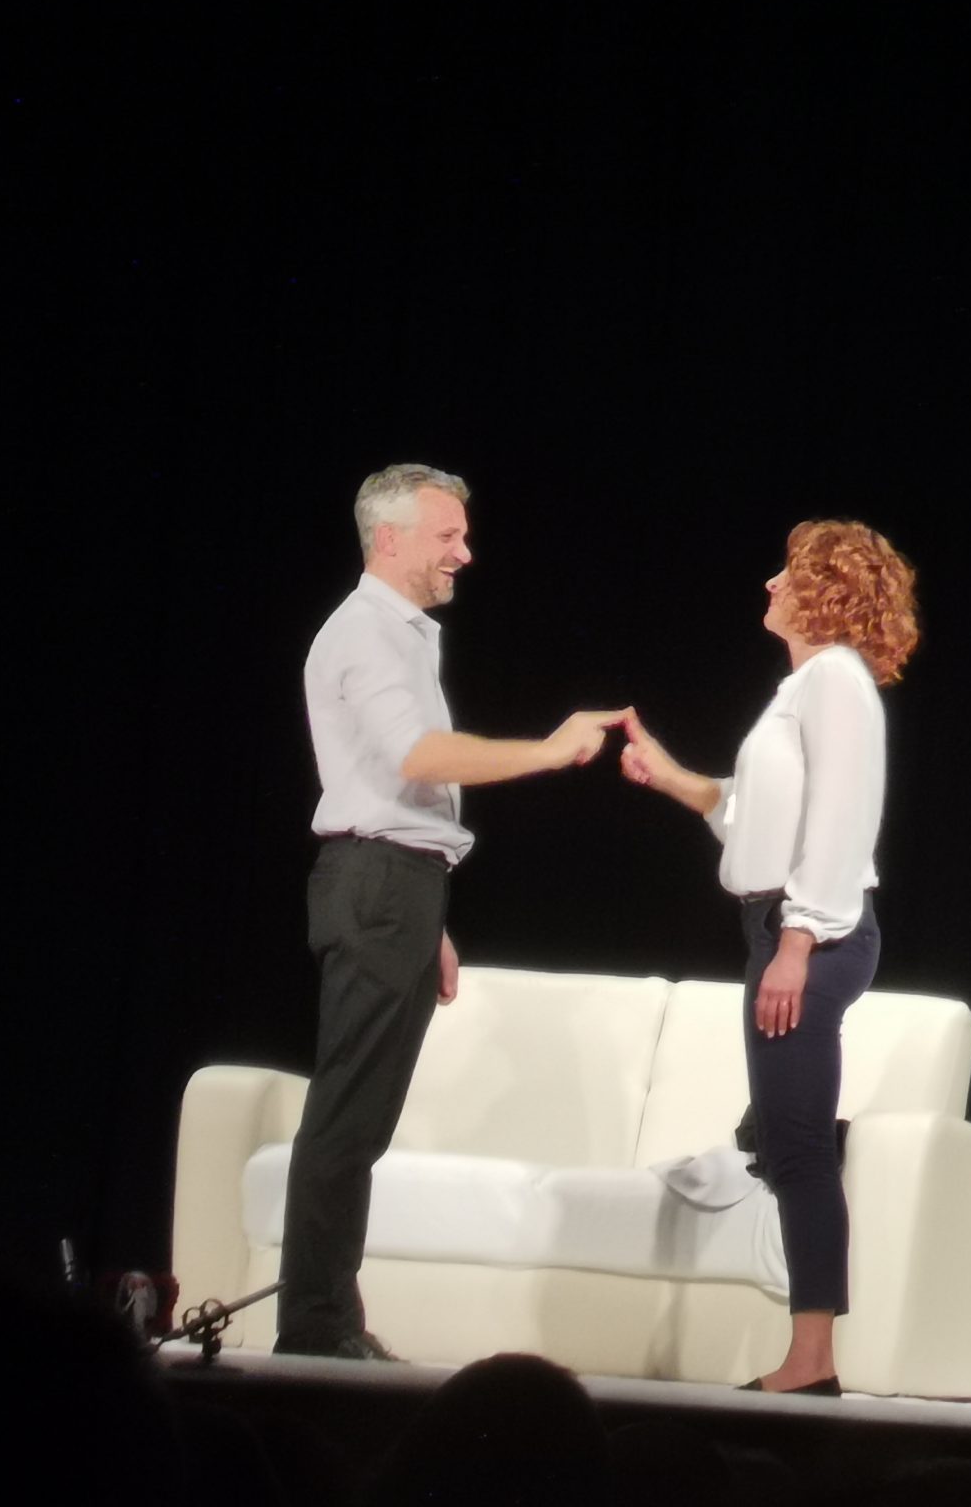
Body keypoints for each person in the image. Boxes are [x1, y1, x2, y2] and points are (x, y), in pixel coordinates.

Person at [276, 462, 627, 1360]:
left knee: (363, 1122)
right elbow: (418, 757)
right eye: (448, 536)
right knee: (348, 1116)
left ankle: (329, 1320)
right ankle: (314, 1329)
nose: (464, 553)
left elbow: (394, 789)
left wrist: (427, 918)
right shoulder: (364, 633)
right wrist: (548, 751)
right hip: (375, 882)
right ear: (389, 539)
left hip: (399, 886)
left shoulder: (399, 636)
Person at [620, 519, 919, 1396]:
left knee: (797, 1148)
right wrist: (670, 776)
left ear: (826, 596)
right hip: (787, 927)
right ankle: (811, 1357)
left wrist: (797, 938)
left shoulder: (833, 679)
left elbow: (840, 818)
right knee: (788, 1141)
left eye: (789, 575)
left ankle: (812, 1362)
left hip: (809, 934)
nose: (771, 585)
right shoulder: (807, 688)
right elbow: (756, 815)